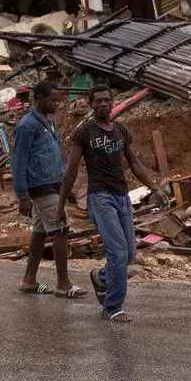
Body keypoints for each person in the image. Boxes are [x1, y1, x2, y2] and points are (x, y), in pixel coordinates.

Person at [61, 85, 167, 322]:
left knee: (129, 253)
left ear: (113, 101)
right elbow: (71, 169)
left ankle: (101, 277)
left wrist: (155, 188)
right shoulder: (85, 132)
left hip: (122, 197)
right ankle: (112, 307)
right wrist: (61, 203)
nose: (103, 104)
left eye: (107, 100)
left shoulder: (120, 130)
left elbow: (135, 163)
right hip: (100, 197)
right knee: (117, 252)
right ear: (90, 104)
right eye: (98, 101)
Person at [12, 80, 85, 298]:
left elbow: (56, 157)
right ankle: (63, 284)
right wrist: (22, 196)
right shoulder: (27, 126)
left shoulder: (49, 122)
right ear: (39, 99)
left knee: (40, 232)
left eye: (58, 100)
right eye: (52, 100)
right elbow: (18, 162)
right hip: (40, 187)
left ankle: (29, 281)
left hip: (53, 185)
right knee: (61, 229)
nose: (57, 104)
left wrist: (67, 188)